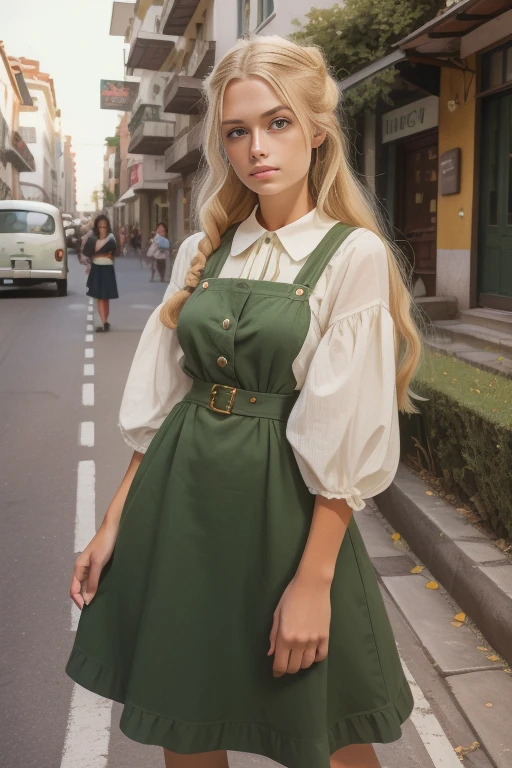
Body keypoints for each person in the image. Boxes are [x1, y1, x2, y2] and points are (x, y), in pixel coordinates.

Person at [66, 35, 424, 768]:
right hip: (180, 507)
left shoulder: (352, 254)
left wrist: (314, 581)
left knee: (327, 732)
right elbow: (164, 405)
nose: (257, 147)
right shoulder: (209, 246)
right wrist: (113, 524)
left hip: (286, 518)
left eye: (278, 123)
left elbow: (345, 432)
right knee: (185, 719)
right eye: (237, 131)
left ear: (317, 130)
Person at [82, 214, 118, 332]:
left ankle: (105, 320)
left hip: (107, 268)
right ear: (97, 227)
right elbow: (87, 253)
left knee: (106, 297)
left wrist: (108, 254)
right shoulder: (92, 238)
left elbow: (116, 252)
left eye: (104, 226)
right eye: (100, 226)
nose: (102, 228)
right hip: (97, 268)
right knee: (100, 297)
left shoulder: (111, 238)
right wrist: (95, 256)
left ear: (108, 227)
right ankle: (103, 322)